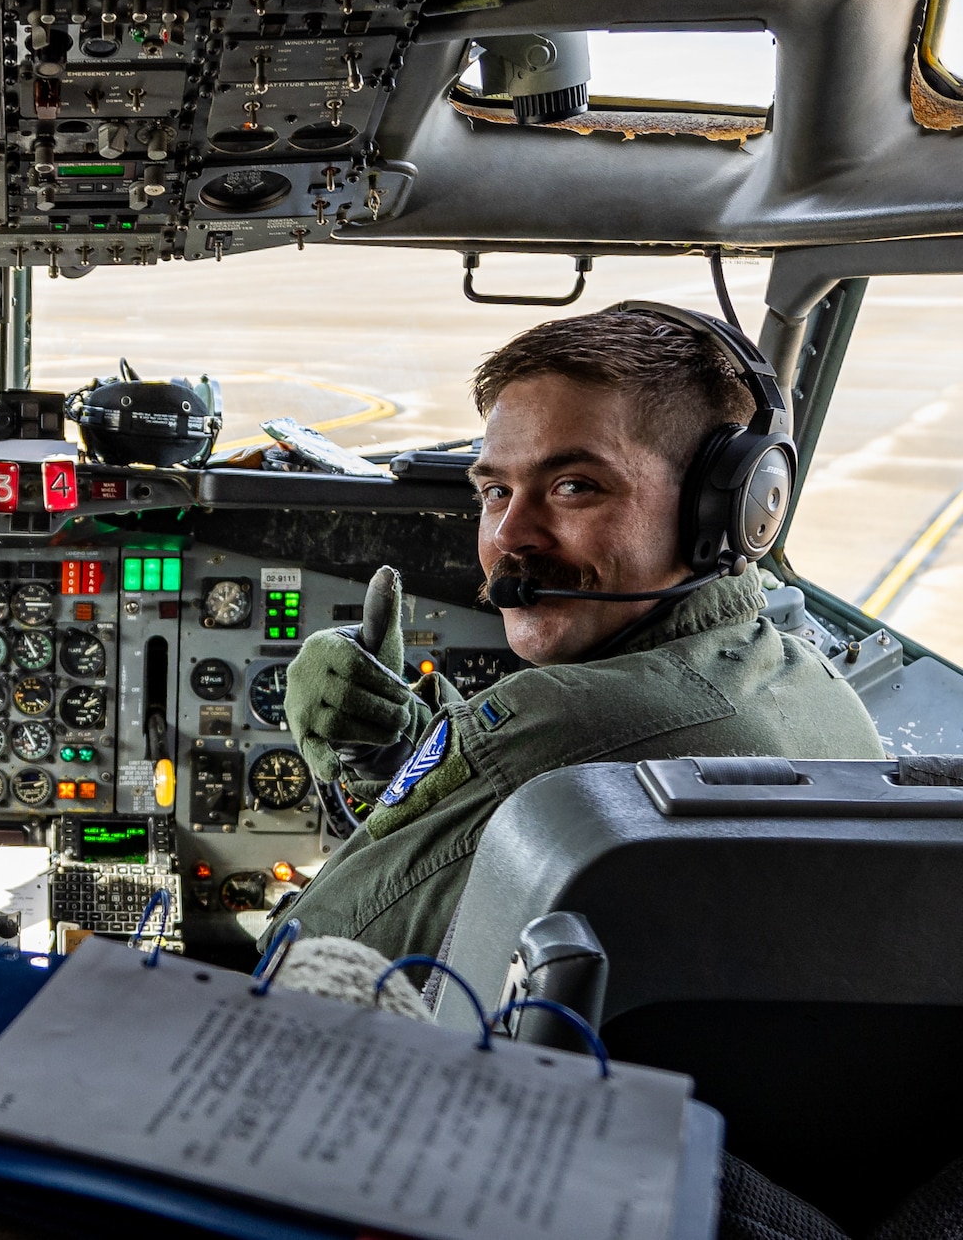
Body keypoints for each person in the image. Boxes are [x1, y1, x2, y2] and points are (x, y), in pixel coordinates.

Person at [271, 306, 884, 961]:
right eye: (496, 491)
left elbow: (297, 964)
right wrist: (404, 763)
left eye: (572, 486)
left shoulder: (560, 727)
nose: (509, 535)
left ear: (719, 508)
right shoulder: (815, 686)